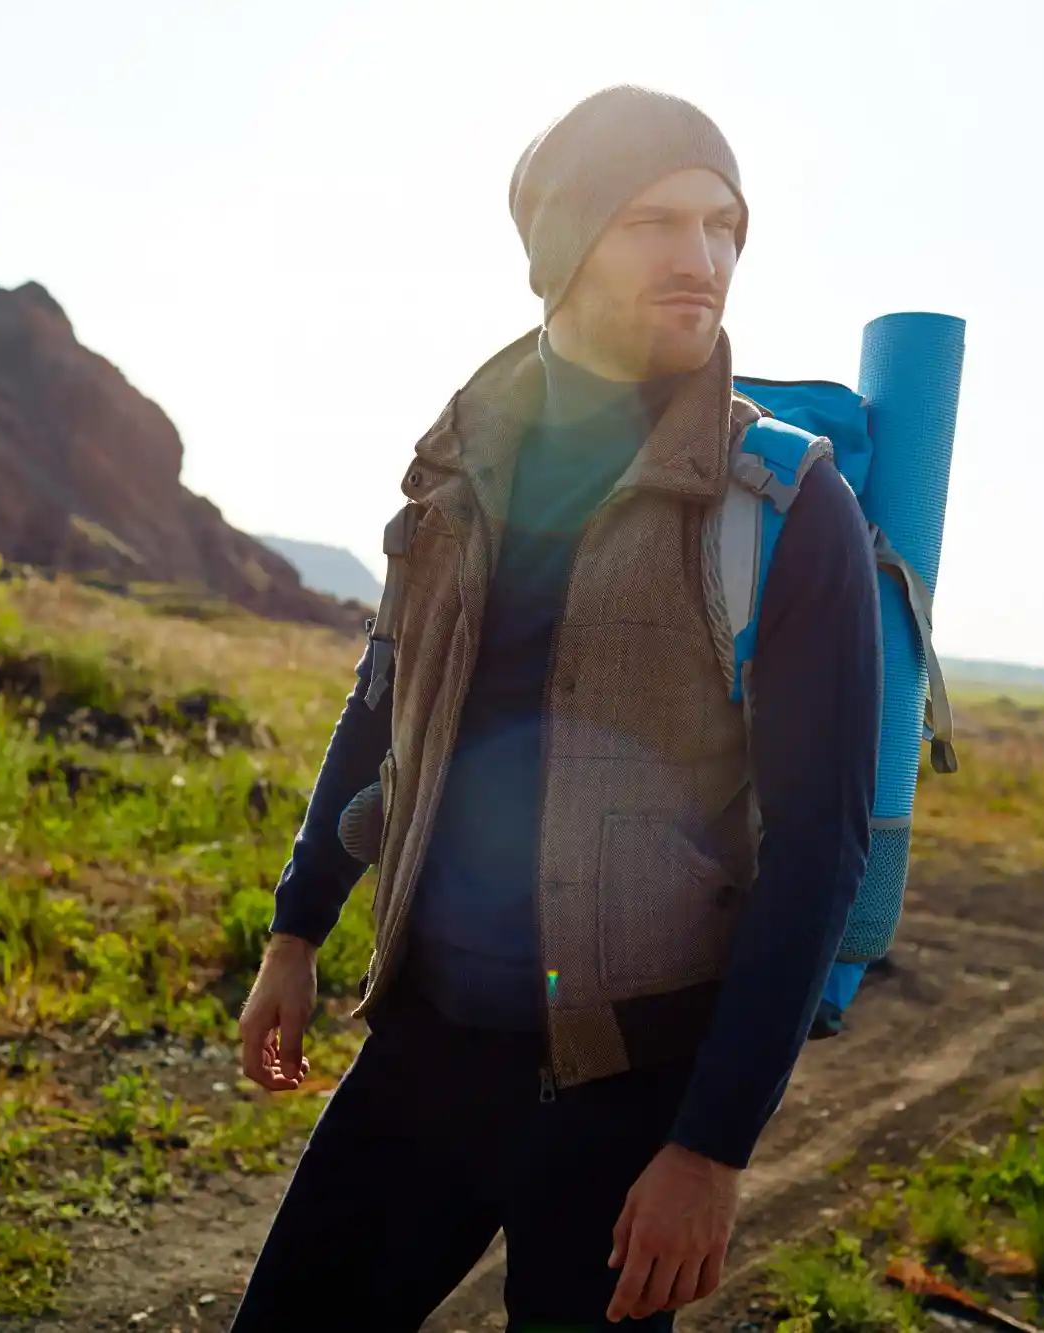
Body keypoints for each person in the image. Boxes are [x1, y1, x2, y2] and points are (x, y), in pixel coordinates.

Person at [229, 84, 884, 1332]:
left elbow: (818, 850)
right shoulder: (456, 468)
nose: (703, 261)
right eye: (655, 221)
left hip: (629, 1098)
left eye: (726, 227)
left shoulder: (785, 509)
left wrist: (709, 1149)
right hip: (423, 1052)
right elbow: (382, 703)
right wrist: (296, 930)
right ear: (562, 248)